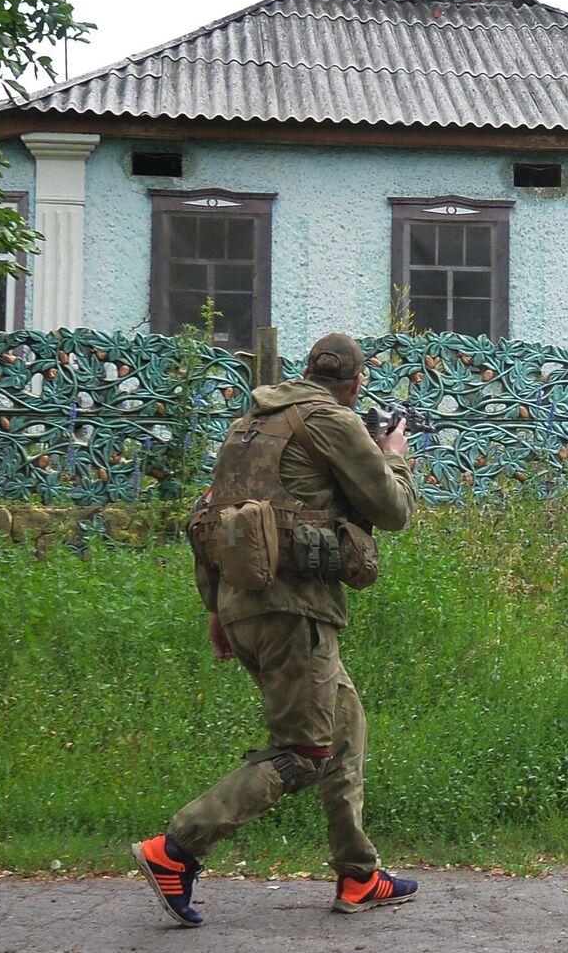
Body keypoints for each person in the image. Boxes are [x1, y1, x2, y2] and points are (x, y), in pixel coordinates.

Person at [133, 333, 419, 926]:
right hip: (295, 613)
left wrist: (217, 610)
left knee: (345, 728)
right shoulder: (332, 420)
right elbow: (393, 511)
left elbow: (211, 522)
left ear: (306, 372)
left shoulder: (248, 427)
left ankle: (358, 874)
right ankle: (177, 848)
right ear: (355, 384)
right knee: (306, 753)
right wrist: (393, 453)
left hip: (244, 607)